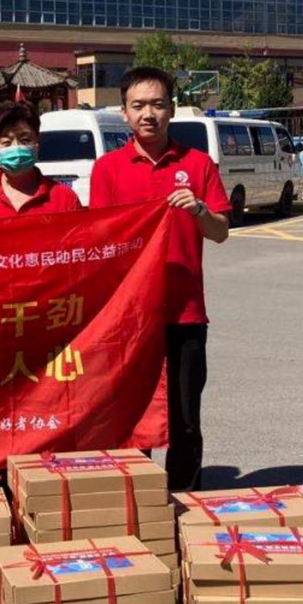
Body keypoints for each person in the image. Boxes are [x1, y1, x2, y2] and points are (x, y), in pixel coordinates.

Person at [87, 66, 230, 492]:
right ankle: (140, 503)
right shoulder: (108, 169)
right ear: (124, 112)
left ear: (171, 108)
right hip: (130, 317)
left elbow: (221, 232)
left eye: (157, 104)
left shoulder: (198, 164)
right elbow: (101, 241)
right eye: (138, 106)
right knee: (133, 417)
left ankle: (186, 503)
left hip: (185, 313)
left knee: (185, 418)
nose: (148, 114)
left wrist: (199, 209)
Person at [0, 102, 82, 219]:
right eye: (7, 142)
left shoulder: (65, 199)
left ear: (37, 143)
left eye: (25, 140)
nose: (16, 148)